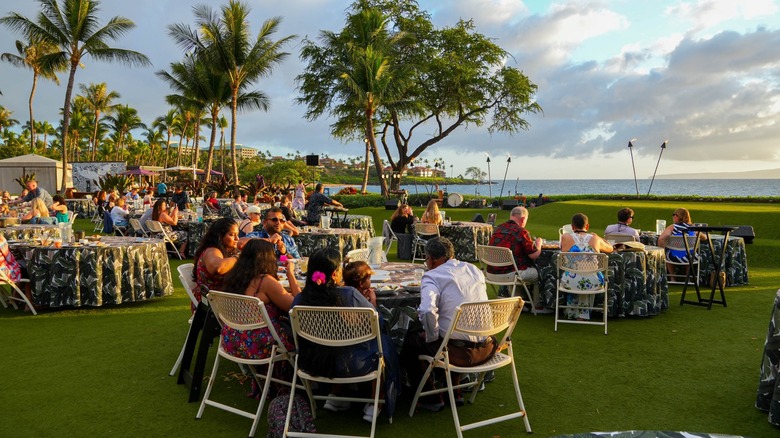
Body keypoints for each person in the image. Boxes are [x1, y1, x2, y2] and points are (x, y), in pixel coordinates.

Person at [291, 248, 399, 422]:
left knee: (338, 344)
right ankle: (375, 403)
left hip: (312, 363)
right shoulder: (348, 294)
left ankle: (336, 397)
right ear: (335, 274)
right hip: (352, 365)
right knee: (383, 342)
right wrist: (372, 303)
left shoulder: (299, 300)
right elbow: (376, 323)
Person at [400, 237, 492, 411]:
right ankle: (454, 391)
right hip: (485, 348)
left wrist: (431, 336)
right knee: (451, 330)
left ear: (432, 260)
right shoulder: (474, 269)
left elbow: (427, 311)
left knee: (411, 341)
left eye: (426, 259)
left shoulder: (433, 275)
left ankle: (430, 396)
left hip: (458, 353)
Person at [220, 239, 300, 361]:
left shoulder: (233, 277)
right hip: (257, 345)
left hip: (231, 340)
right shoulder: (265, 281)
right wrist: (291, 275)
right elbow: (297, 307)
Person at [488, 206, 550, 312]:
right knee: (537, 272)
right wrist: (539, 244)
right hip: (510, 274)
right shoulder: (521, 232)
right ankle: (537, 305)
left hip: (492, 273)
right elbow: (533, 255)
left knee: (514, 267)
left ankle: (519, 304)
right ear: (522, 219)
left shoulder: (498, 229)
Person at [559, 213, 613, 320]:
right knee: (587, 276)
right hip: (594, 283)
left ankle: (572, 311)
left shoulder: (565, 237)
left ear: (572, 227)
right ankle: (582, 314)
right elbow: (610, 248)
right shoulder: (595, 239)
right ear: (587, 226)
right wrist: (599, 237)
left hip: (569, 282)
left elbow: (561, 248)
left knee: (576, 274)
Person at [193, 217, 241, 308]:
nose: (237, 238)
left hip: (221, 300)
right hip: (212, 305)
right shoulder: (212, 251)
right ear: (220, 236)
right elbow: (218, 268)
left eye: (237, 235)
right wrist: (239, 257)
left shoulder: (226, 251)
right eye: (232, 235)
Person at [657, 207, 707, 275]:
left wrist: (661, 252)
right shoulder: (693, 228)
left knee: (667, 253)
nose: (673, 217)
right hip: (690, 258)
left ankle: (672, 277)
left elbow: (661, 239)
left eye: (674, 215)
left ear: (677, 216)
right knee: (689, 251)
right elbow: (705, 238)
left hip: (673, 257)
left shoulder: (673, 227)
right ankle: (687, 276)